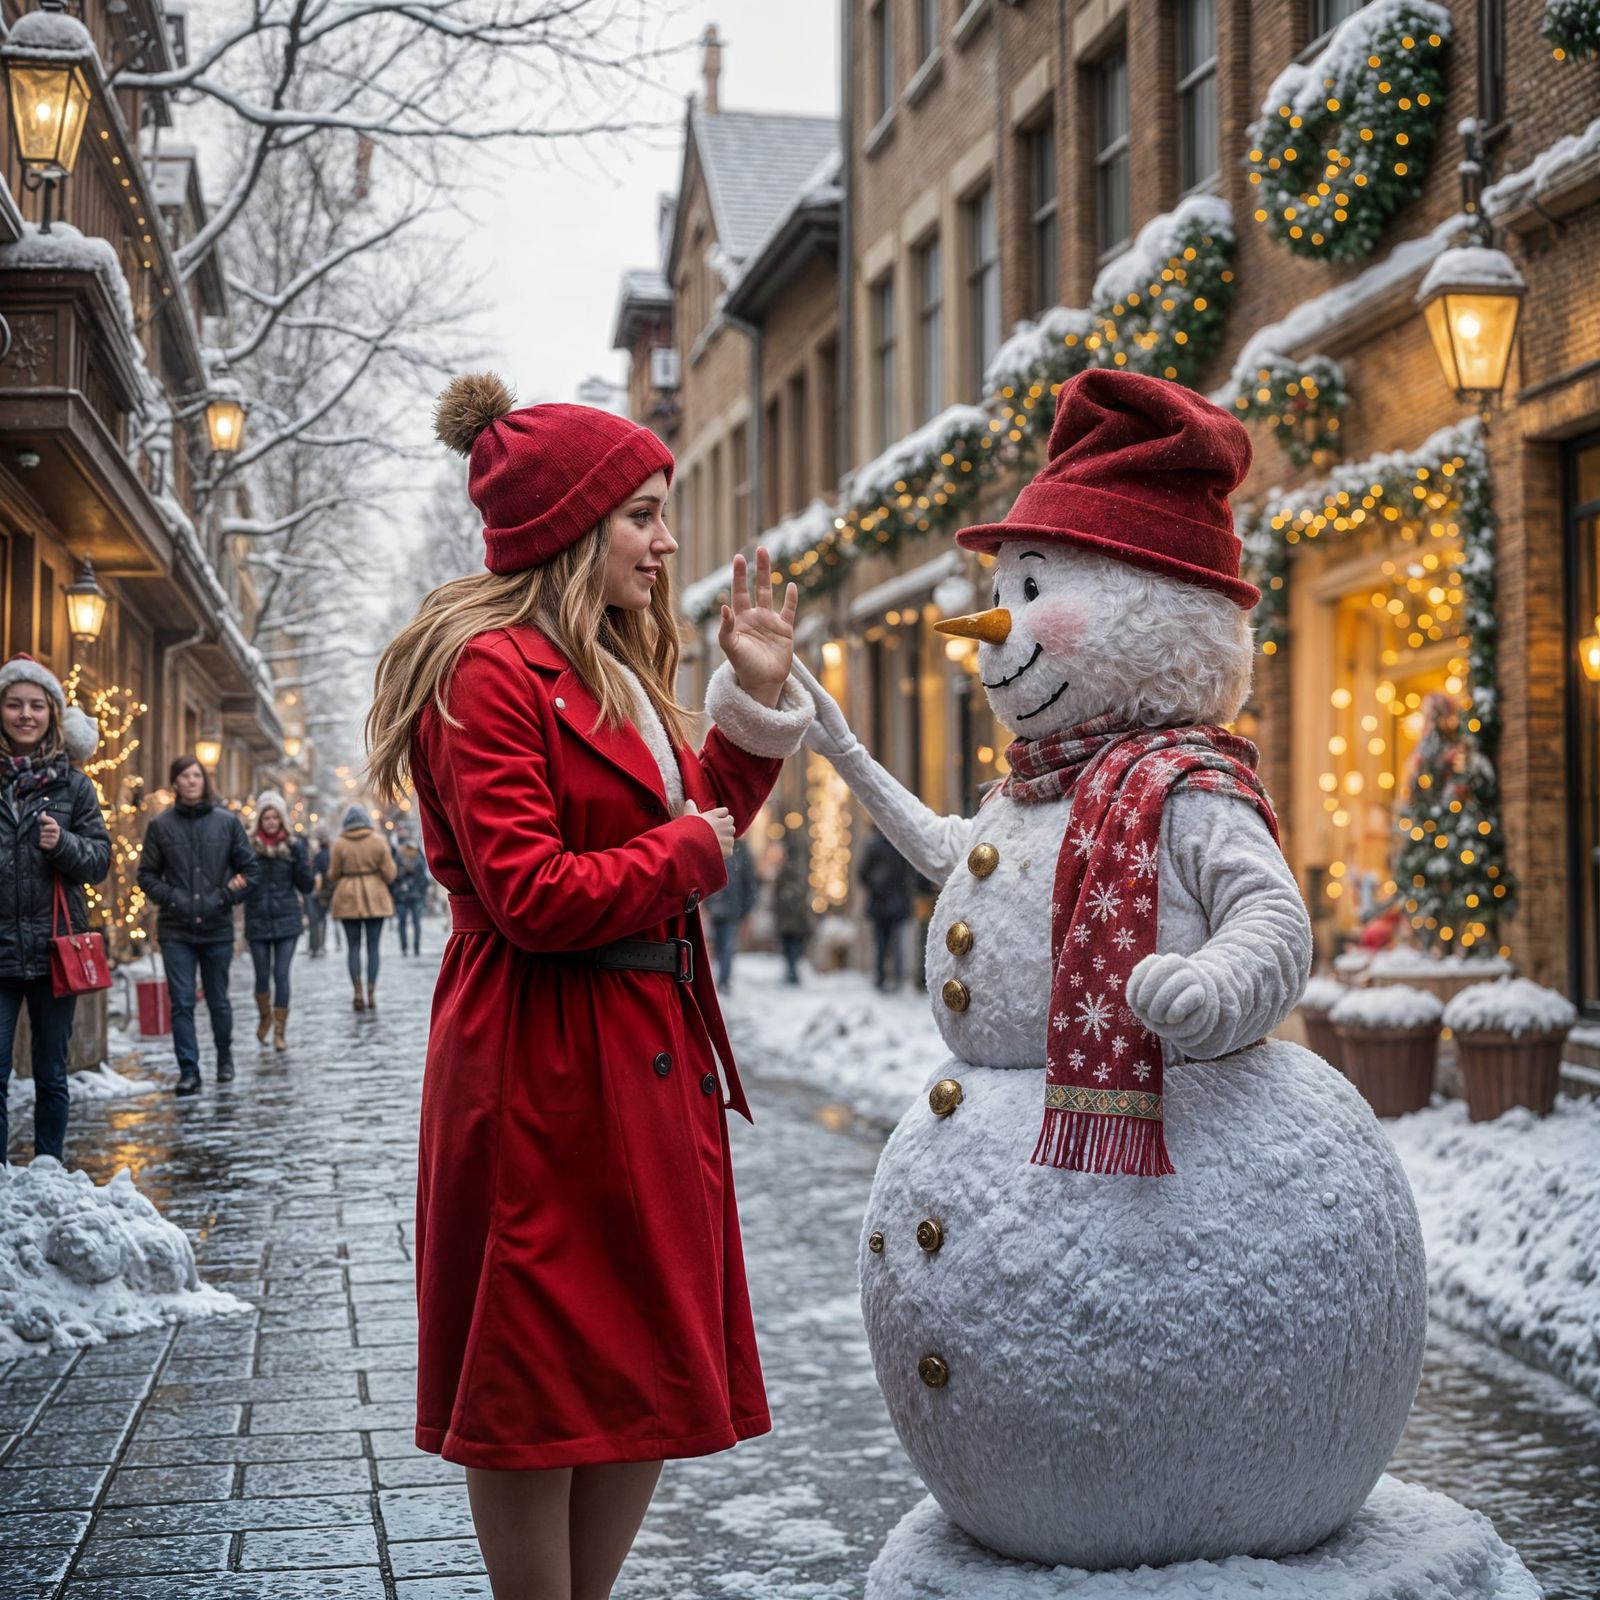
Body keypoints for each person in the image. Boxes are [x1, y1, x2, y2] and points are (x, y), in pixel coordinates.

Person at [365, 375, 813, 1600]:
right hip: (540, 1063)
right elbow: (532, 890)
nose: (669, 543)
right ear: (572, 522)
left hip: (640, 1051)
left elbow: (683, 829)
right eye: (645, 516)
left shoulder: (608, 665)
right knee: (534, 1366)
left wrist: (754, 701)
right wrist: (689, 848)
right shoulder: (485, 672)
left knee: (637, 1371)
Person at [0, 654, 112, 1164]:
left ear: (51, 713)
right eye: (13, 704)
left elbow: (100, 861)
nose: (25, 714)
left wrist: (63, 842)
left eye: (36, 705)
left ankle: (47, 1168)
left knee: (50, 1073)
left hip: (53, 954)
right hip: (0, 954)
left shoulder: (73, 785)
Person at [137, 755, 258, 1095]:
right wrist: (174, 897)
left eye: (196, 775)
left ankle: (224, 1057)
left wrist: (223, 897)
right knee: (182, 1002)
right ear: (175, 782)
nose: (191, 781)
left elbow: (250, 872)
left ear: (204, 781)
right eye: (184, 776)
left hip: (217, 927)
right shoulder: (160, 826)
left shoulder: (227, 822)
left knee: (218, 999)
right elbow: (146, 876)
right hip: (176, 928)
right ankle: (188, 1070)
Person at [242, 790, 314, 1051]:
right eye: (266, 817)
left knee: (281, 974)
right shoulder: (248, 847)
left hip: (287, 920)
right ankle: (265, 1019)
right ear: (259, 820)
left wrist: (302, 860)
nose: (270, 821)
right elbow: (242, 885)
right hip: (258, 920)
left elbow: (305, 884)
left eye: (275, 817)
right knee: (262, 976)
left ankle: (280, 1032)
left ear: (281, 819)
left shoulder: (293, 846)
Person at [328, 803, 395, 1010]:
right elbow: (390, 874)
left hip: (347, 896)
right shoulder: (379, 841)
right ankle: (371, 992)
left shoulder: (339, 843)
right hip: (375, 896)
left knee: (353, 947)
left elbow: (333, 874)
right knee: (373, 946)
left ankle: (357, 991)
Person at [858, 823, 915, 991]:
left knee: (882, 943)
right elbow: (910, 873)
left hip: (883, 902)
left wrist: (876, 886)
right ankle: (894, 978)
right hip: (893, 901)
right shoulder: (901, 844)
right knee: (893, 943)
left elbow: (862, 873)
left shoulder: (874, 845)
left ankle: (883, 978)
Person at [705, 833, 757, 990]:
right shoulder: (720, 846)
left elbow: (749, 883)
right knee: (720, 946)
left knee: (726, 946)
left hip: (731, 908)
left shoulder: (741, 851)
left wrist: (747, 909)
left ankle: (723, 981)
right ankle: (720, 980)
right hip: (719, 907)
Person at [772, 829, 813, 985]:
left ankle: (791, 970)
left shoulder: (784, 870)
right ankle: (792, 970)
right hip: (796, 916)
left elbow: (777, 892)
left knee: (789, 944)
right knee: (795, 943)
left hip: (787, 915)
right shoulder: (802, 871)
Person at [391, 829, 430, 956]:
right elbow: (424, 878)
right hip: (416, 895)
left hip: (402, 895)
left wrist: (395, 892)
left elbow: (394, 876)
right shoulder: (418, 856)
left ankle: (404, 949)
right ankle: (416, 948)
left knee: (402, 923)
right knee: (416, 922)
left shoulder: (398, 856)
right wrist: (422, 892)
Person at [304, 828, 332, 958]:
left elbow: (325, 875)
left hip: (319, 892)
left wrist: (325, 893)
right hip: (319, 892)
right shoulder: (322, 854)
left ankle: (317, 946)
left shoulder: (323, 855)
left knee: (317, 920)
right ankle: (315, 946)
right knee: (317, 919)